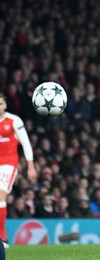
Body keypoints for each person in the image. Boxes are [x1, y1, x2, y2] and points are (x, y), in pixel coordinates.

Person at [0, 93, 37, 248]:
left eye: (0, 103)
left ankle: (2, 238)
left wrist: (31, 166)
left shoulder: (14, 121)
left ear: (5, 105)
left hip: (8, 163)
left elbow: (26, 144)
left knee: (0, 198)